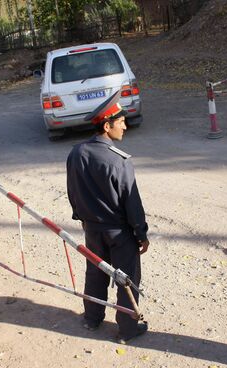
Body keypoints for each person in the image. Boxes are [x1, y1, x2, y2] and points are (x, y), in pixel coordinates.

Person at [66, 90, 149, 344]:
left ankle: (92, 318)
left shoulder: (76, 153)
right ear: (106, 125)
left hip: (92, 229)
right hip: (119, 232)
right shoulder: (119, 161)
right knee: (126, 280)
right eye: (120, 121)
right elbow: (131, 202)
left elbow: (72, 191)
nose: (125, 126)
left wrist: (82, 217)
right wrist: (141, 233)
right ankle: (127, 330)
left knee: (95, 273)